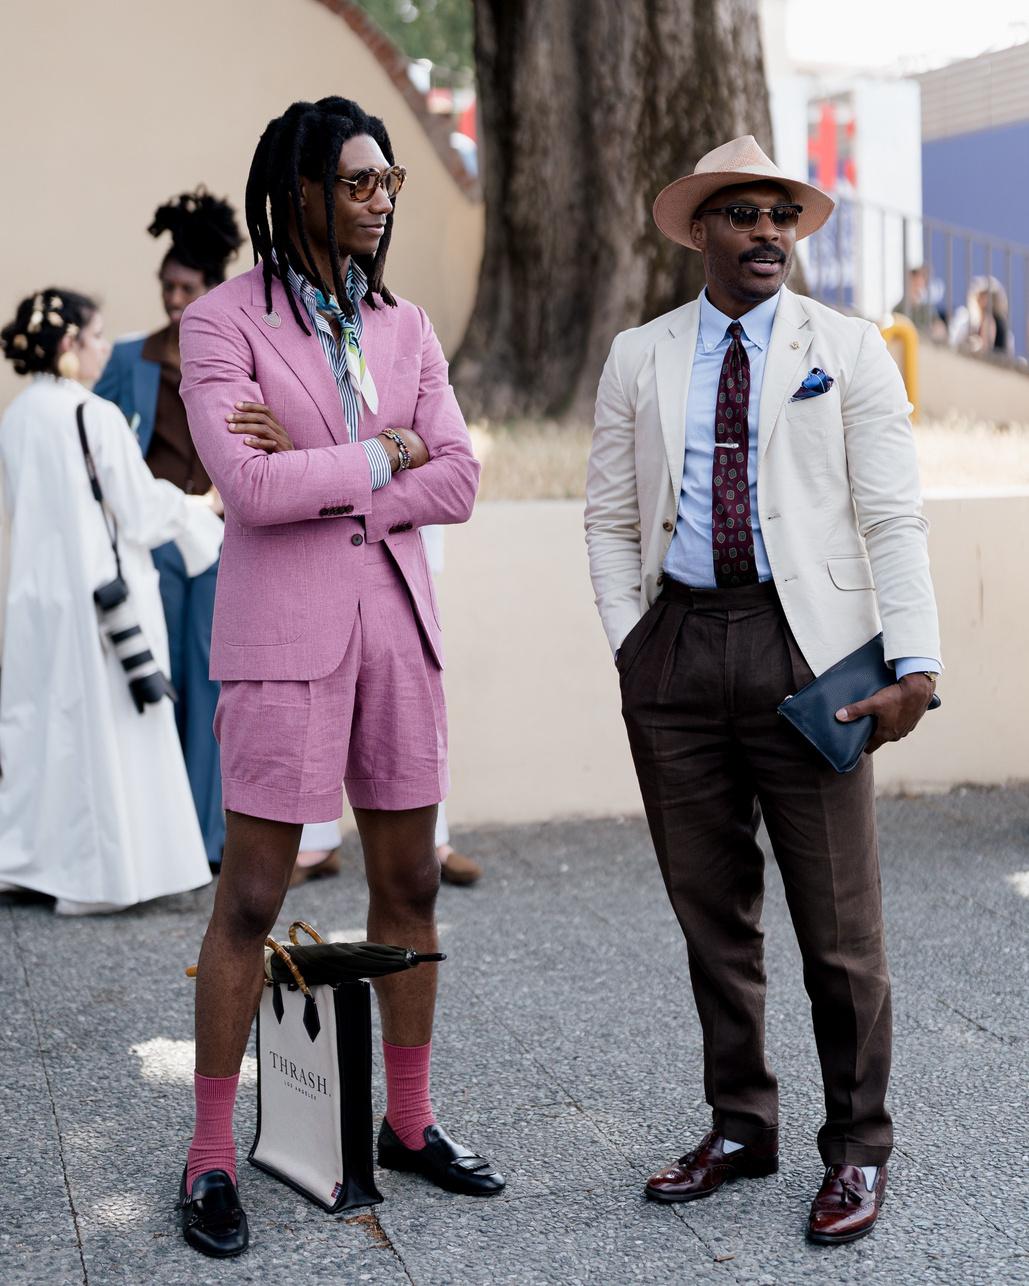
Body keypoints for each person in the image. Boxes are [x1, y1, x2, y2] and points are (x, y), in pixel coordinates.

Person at [585, 136, 941, 1247]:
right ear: (700, 230)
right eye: (741, 214)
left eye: (780, 215)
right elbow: (608, 516)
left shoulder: (850, 349)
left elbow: (892, 515)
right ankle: (741, 1125)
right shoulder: (639, 355)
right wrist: (634, 647)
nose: (766, 232)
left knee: (839, 928)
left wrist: (915, 663)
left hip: (811, 655)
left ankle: (858, 1145)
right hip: (678, 650)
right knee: (712, 919)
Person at [175, 96, 503, 1259]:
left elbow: (459, 476)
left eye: (389, 182)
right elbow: (247, 488)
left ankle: (408, 1122)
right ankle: (210, 1155)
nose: (380, 201)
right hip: (283, 644)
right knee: (252, 897)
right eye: (359, 183)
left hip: (398, 631)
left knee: (407, 878)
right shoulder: (221, 324)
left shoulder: (404, 324)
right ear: (300, 191)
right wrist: (382, 451)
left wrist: (336, 465)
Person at [0, 289, 222, 914]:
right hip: (102, 598)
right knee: (111, 731)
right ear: (69, 345)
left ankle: (33, 863)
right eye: (97, 336)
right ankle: (104, 878)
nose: (105, 347)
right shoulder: (92, 415)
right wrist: (201, 507)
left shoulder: (16, 417)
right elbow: (141, 510)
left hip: (37, 599)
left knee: (44, 729)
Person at [95, 189, 243, 869]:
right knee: (162, 680)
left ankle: (207, 841)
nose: (174, 300)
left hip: (218, 544)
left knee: (213, 687)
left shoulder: (236, 355)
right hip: (154, 543)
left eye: (186, 288)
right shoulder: (130, 360)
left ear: (212, 288)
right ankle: (160, 838)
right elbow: (96, 440)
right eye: (167, 287)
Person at [292, 525, 482, 889]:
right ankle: (314, 843)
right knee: (318, 703)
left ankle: (434, 841)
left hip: (404, 546)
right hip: (317, 545)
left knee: (412, 714)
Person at [949, 275, 1012, 356]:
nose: (987, 301)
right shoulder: (965, 318)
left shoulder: (1001, 327)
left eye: (991, 297)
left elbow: (1006, 354)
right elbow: (953, 343)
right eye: (983, 296)